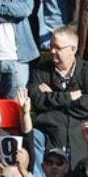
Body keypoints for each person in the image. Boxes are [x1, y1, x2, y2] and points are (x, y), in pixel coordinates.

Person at [30, 25, 88, 170]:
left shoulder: (86, 71)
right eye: (51, 46)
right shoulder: (41, 70)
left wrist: (52, 98)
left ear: (73, 50)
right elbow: (36, 100)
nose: (52, 51)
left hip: (79, 131)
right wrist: (69, 97)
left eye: (58, 47)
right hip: (49, 130)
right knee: (34, 136)